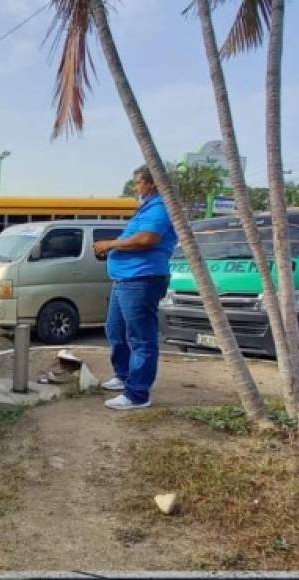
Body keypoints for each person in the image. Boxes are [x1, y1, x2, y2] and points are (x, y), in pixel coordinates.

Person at [92, 165, 178, 410]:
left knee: (141, 338)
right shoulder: (147, 208)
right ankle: (123, 376)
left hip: (142, 280)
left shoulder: (160, 207)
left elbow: (146, 239)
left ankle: (138, 394)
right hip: (125, 281)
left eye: (138, 182)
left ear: (151, 183)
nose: (135, 187)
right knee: (115, 331)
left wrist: (110, 244)